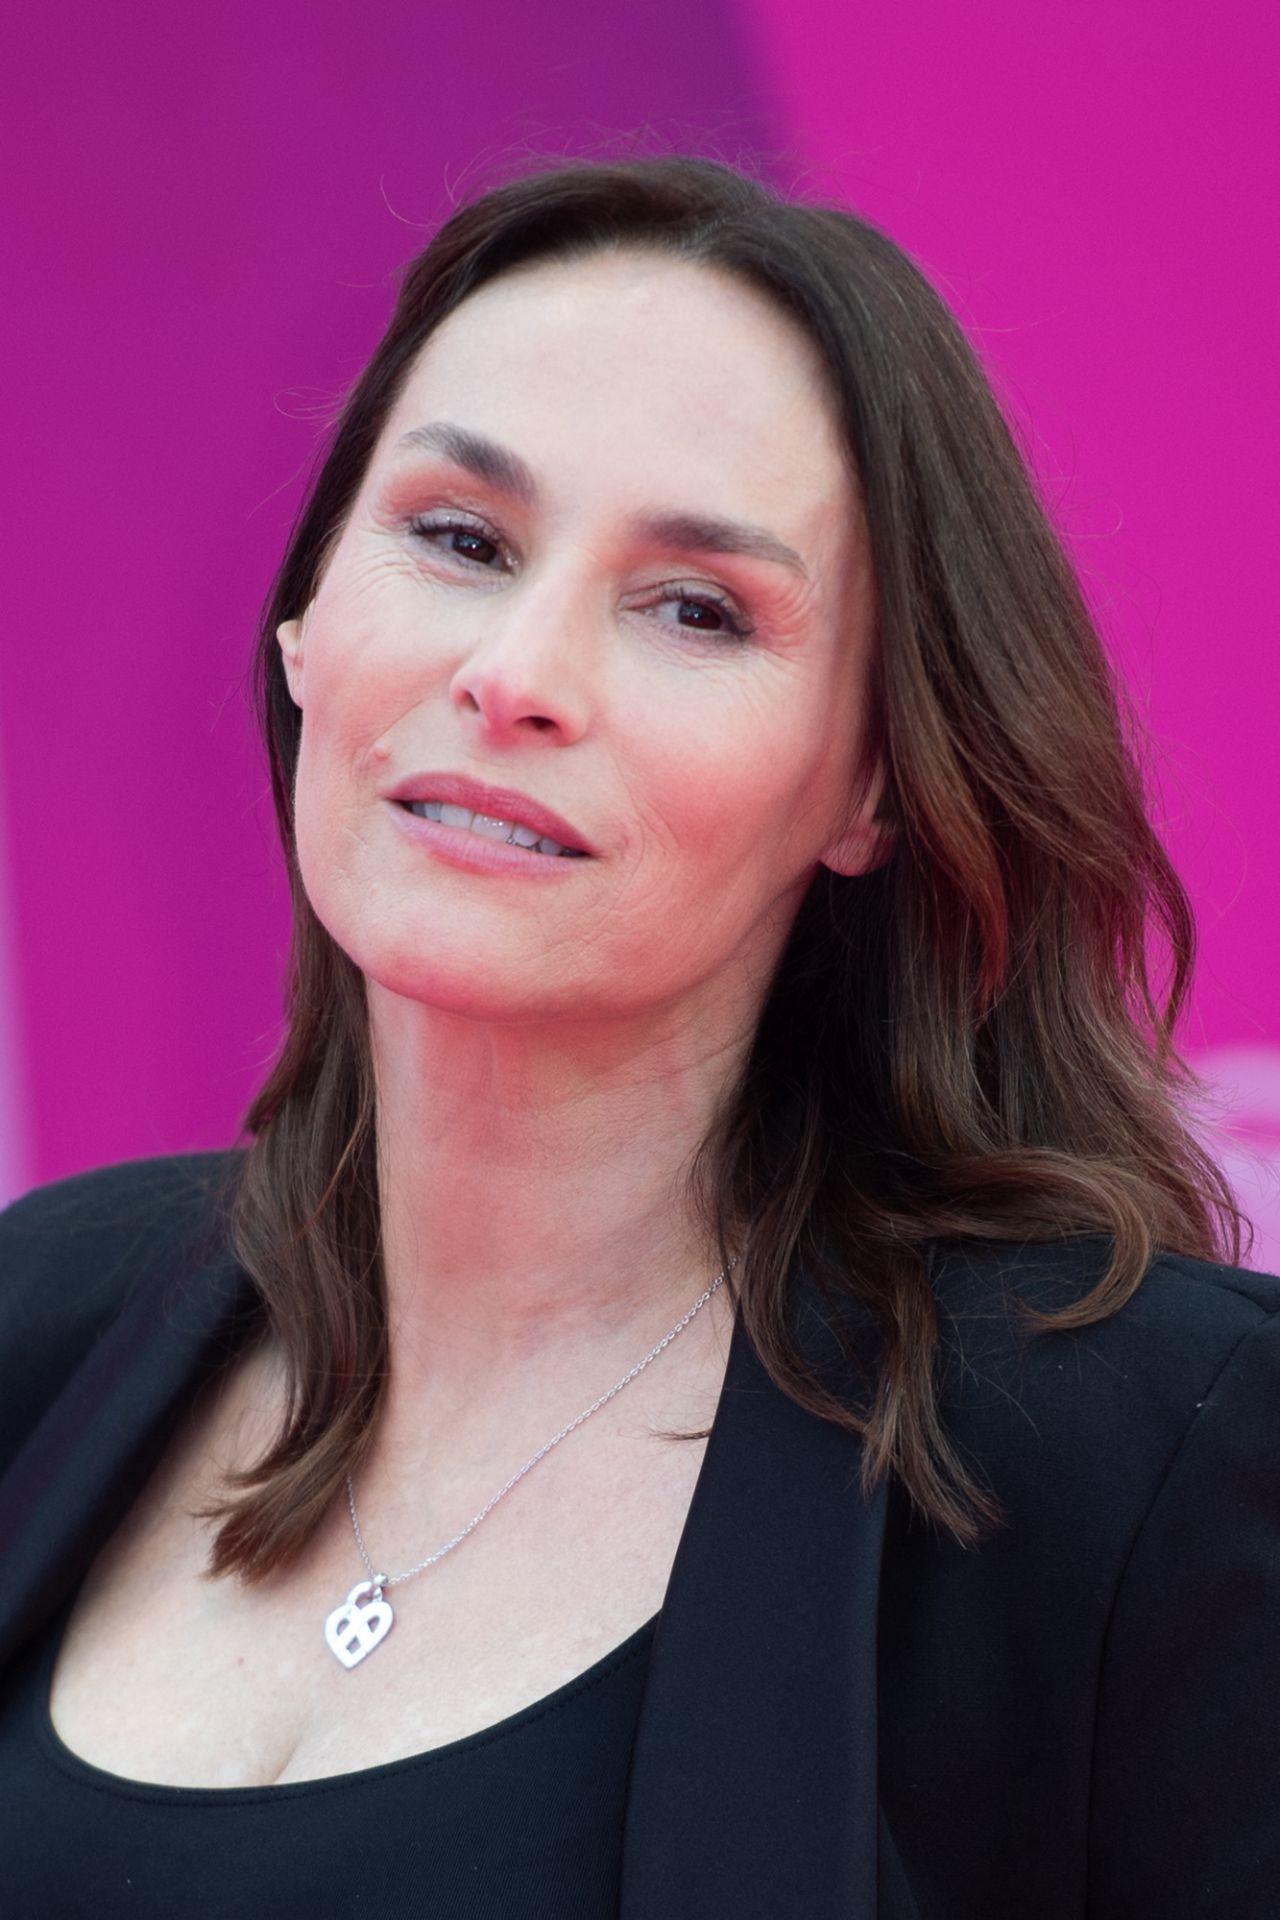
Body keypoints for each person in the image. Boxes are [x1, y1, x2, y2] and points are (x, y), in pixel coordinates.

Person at [0, 151, 1275, 1917]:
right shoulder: (38, 1320)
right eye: (458, 537)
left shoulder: (1143, 1464)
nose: (517, 671)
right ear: (308, 623)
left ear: (876, 784)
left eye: (696, 609)